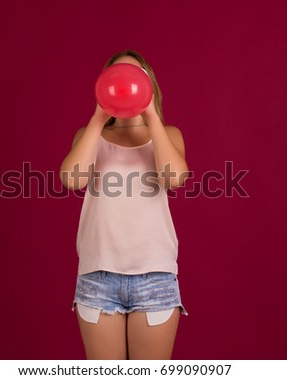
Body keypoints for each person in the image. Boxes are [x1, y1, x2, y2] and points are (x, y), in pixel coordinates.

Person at [59, 49, 189, 360]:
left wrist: (151, 116)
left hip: (155, 276)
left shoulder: (168, 135)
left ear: (150, 85)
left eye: (135, 77)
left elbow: (175, 178)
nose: (125, 83)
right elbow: (71, 179)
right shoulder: (89, 136)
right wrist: (98, 118)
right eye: (116, 77)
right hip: (97, 276)